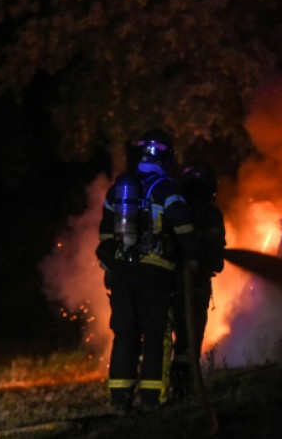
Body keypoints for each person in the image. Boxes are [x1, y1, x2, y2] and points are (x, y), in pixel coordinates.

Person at [95, 128, 199, 413]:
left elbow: (105, 233)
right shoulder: (165, 188)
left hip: (122, 274)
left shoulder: (118, 190)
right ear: (165, 157)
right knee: (156, 334)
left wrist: (113, 261)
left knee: (125, 334)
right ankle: (153, 400)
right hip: (156, 273)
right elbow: (183, 225)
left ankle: (120, 399)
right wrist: (192, 258)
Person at [169, 161, 226, 401]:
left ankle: (161, 386)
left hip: (169, 283)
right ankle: (183, 386)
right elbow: (217, 260)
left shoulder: (174, 208)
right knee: (190, 336)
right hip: (197, 285)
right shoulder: (211, 214)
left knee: (167, 334)